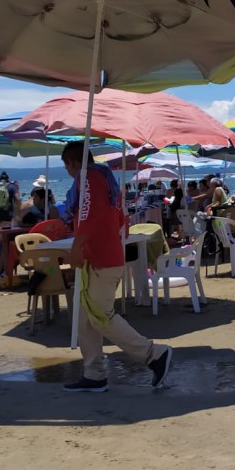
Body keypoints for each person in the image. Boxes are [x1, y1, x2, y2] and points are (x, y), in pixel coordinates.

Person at [60, 141, 172, 393]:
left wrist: (77, 246)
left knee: (101, 316)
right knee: (86, 318)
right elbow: (119, 218)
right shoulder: (106, 180)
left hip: (100, 259)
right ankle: (94, 373)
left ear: (74, 163)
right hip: (103, 256)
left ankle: (154, 354)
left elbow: (92, 216)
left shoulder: (88, 179)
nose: (67, 171)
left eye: (67, 165)